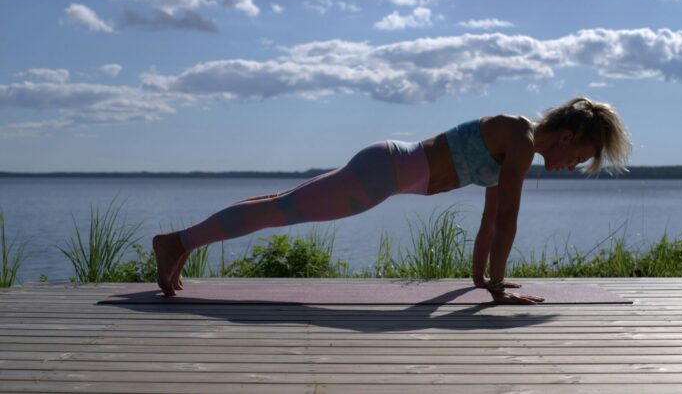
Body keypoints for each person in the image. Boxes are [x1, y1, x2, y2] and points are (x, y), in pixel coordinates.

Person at [153, 97, 631, 303]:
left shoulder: (517, 142)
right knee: (282, 210)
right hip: (386, 172)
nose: (573, 166)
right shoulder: (521, 138)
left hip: (387, 169)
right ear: (567, 136)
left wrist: (482, 278)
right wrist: (500, 287)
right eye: (581, 156)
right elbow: (508, 218)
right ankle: (177, 243)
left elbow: (490, 219)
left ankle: (180, 243)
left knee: (282, 203)